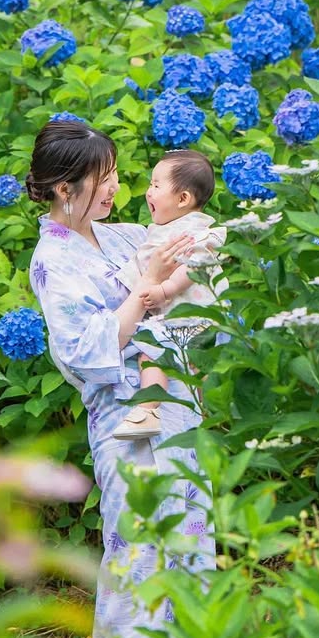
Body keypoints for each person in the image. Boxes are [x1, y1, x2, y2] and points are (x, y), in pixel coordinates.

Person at [27, 120, 215, 638]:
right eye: (104, 178)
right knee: (138, 543)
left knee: (191, 526)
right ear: (66, 189)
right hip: (122, 411)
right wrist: (147, 289)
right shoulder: (53, 261)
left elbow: (193, 244)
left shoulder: (123, 236)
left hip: (176, 397)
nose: (115, 187)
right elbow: (84, 350)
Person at [115, 150, 227, 441]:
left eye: (155, 185)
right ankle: (205, 415)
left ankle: (147, 411)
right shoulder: (171, 228)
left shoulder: (192, 233)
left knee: (150, 355)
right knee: (197, 370)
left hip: (189, 317)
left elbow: (195, 265)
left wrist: (164, 289)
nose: (148, 191)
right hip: (192, 320)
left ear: (183, 199)